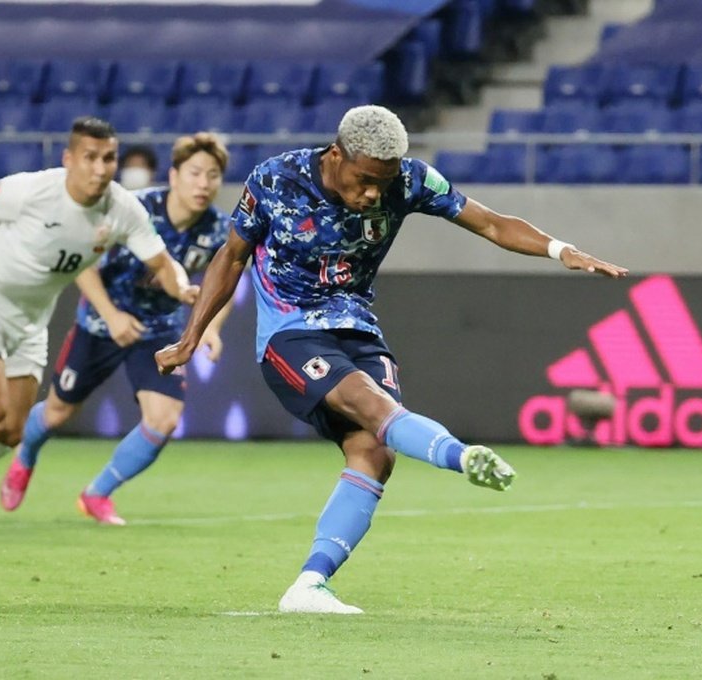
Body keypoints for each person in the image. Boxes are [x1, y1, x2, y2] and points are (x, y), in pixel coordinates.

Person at [154, 105, 628, 614]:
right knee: (371, 406)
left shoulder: (409, 179)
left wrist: (561, 250)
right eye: (363, 181)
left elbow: (489, 223)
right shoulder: (276, 179)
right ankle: (462, 456)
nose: (373, 195)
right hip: (290, 332)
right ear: (337, 155)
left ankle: (309, 585)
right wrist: (190, 337)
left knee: (375, 453)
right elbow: (231, 257)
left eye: (383, 183)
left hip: (357, 326)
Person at [0, 117, 197, 531]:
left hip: (31, 322)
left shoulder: (123, 207)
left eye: (109, 158)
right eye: (90, 157)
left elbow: (161, 262)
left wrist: (181, 288)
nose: (100, 168)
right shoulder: (34, 190)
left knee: (10, 431)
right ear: (68, 159)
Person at [0, 132, 232, 525]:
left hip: (160, 330)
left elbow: (224, 281)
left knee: (164, 419)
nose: (203, 184)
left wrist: (209, 327)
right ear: (173, 176)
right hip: (100, 323)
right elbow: (82, 261)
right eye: (195, 173)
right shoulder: (133, 208)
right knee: (57, 413)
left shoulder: (218, 230)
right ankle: (25, 457)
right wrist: (110, 315)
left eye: (212, 175)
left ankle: (96, 494)